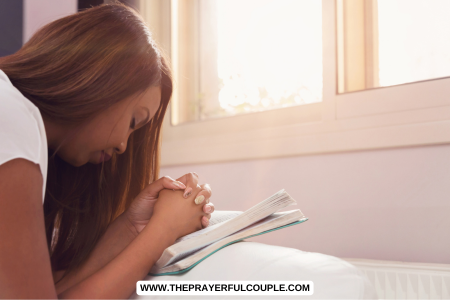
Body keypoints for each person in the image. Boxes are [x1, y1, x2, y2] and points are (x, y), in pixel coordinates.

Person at [0, 3, 215, 298]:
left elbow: (49, 291)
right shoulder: (10, 117)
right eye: (133, 122)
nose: (124, 146)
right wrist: (162, 231)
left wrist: (131, 227)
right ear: (98, 81)